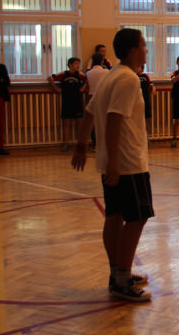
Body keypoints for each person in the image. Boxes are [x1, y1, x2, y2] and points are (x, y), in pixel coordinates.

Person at [71, 28, 153, 302]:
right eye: (143, 45)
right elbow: (115, 119)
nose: (146, 50)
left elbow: (89, 113)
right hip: (127, 162)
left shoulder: (111, 75)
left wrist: (81, 145)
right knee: (137, 218)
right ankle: (122, 280)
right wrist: (116, 163)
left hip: (113, 161)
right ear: (133, 50)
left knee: (115, 216)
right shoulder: (128, 78)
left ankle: (117, 273)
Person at [48, 57, 88, 151]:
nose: (78, 65)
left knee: (79, 123)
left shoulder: (80, 74)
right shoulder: (63, 74)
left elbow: (88, 80)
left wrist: (83, 88)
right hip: (66, 101)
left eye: (78, 64)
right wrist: (56, 89)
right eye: (76, 63)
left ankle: (80, 144)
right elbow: (50, 78)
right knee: (66, 124)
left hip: (77, 101)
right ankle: (66, 143)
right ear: (70, 64)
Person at [86, 53, 109, 150]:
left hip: (92, 96)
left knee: (94, 122)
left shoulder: (89, 73)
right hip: (103, 97)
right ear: (102, 61)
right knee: (103, 121)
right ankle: (104, 143)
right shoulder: (106, 71)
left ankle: (95, 144)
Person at [137, 65, 155, 136]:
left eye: (140, 67)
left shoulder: (145, 76)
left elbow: (151, 84)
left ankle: (146, 135)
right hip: (137, 101)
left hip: (145, 100)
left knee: (147, 118)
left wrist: (153, 89)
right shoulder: (133, 76)